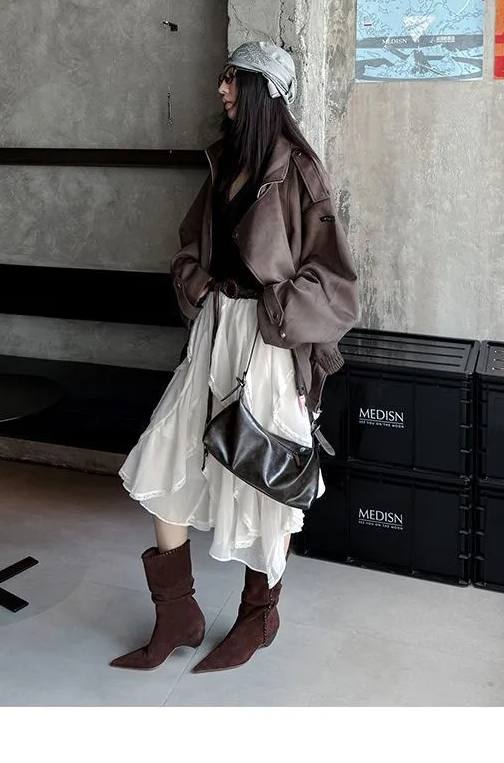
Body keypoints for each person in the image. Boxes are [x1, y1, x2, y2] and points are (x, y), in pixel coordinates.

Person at [111, 40, 359, 673]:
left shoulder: (300, 172)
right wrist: (198, 285)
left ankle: (258, 617)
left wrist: (272, 308)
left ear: (263, 92)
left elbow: (335, 285)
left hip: (269, 346)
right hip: (214, 333)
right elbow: (189, 245)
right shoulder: (223, 163)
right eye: (224, 77)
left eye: (232, 78)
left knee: (263, 481)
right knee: (164, 456)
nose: (221, 89)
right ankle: (177, 614)